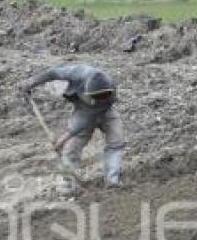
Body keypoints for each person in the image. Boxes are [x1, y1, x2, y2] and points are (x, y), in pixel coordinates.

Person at [20, 64, 125, 196]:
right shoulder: (78, 72)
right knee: (71, 150)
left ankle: (112, 181)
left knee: (115, 142)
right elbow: (54, 73)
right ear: (87, 89)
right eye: (96, 96)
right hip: (82, 109)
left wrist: (64, 138)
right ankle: (68, 186)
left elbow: (86, 120)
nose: (100, 98)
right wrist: (33, 82)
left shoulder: (110, 89)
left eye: (102, 95)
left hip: (104, 112)